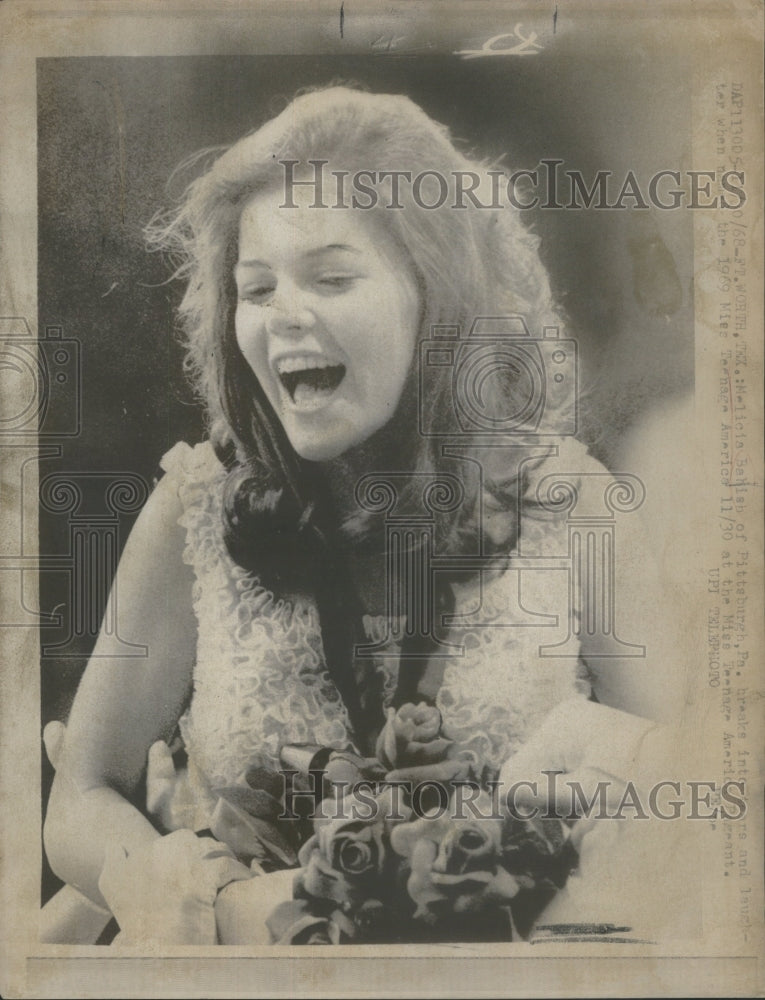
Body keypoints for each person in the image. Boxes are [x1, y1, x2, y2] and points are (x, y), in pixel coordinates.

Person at [43, 85, 685, 944]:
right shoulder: (190, 508)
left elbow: (695, 786)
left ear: (437, 295)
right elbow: (79, 798)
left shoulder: (573, 505)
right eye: (256, 288)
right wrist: (205, 894)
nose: (284, 316)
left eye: (332, 277)